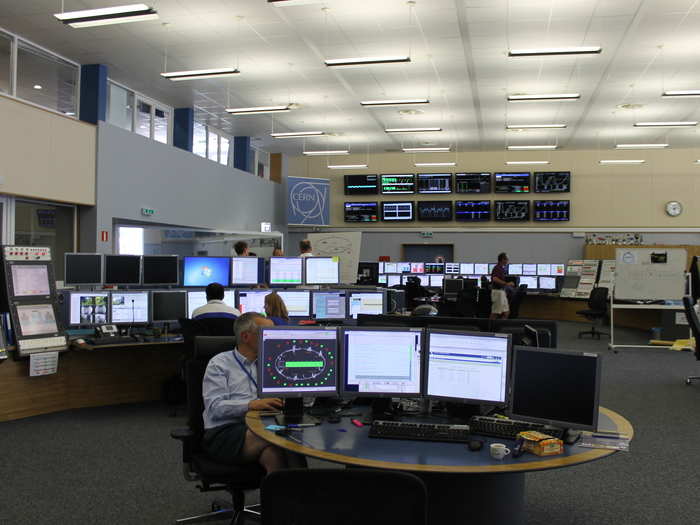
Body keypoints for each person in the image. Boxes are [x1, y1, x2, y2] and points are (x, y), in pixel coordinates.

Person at [201, 313, 305, 472]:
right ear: (245, 336)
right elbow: (215, 408)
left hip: (265, 424)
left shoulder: (274, 362)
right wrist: (251, 405)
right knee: (286, 438)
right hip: (225, 432)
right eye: (267, 333)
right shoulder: (219, 364)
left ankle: (285, 496)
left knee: (273, 453)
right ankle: (306, 492)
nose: (273, 337)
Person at [490, 252, 514, 320]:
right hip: (497, 292)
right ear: (503, 259)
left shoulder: (501, 268)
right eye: (506, 259)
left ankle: (499, 328)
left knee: (506, 313)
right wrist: (507, 284)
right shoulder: (497, 268)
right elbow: (495, 279)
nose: (507, 261)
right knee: (495, 313)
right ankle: (490, 329)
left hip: (501, 292)